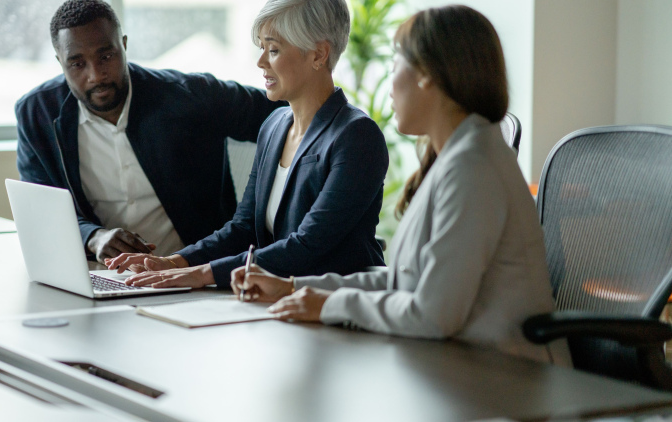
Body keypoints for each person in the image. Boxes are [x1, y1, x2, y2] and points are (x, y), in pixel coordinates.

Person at [231, 5, 571, 365]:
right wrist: (295, 288)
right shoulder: (454, 158)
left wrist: (329, 303)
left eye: (395, 67)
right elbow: (402, 282)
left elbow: (433, 314)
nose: (389, 84)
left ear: (426, 74)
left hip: (508, 380)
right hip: (461, 367)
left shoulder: (474, 166)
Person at [106, 0, 388, 289]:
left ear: (319, 54)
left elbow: (308, 246)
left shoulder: (356, 137)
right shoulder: (275, 126)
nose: (261, 61)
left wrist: (204, 274)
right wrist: (176, 262)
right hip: (275, 301)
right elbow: (242, 229)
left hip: (339, 308)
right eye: (262, 48)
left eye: (274, 49)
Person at [16, 0, 283, 261]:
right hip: (103, 276)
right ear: (59, 60)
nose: (95, 75)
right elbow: (41, 209)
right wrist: (93, 237)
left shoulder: (189, 96)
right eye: (77, 63)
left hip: (199, 274)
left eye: (106, 56)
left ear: (124, 45)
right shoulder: (36, 114)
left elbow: (288, 110)